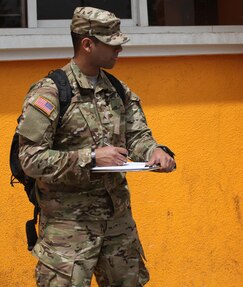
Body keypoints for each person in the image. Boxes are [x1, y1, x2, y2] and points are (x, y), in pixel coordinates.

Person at [17, 6, 176, 287]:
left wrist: (155, 152)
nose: (119, 50)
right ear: (88, 44)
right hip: (68, 231)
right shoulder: (51, 92)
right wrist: (90, 157)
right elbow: (31, 159)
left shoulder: (117, 89)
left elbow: (137, 135)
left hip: (117, 224)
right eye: (112, 44)